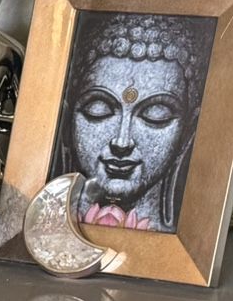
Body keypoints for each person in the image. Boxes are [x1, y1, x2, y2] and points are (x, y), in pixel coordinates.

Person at [61, 13, 212, 234]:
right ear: (66, 122)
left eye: (156, 116)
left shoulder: (186, 241)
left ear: (188, 133)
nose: (122, 142)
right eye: (98, 111)